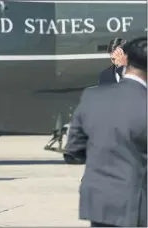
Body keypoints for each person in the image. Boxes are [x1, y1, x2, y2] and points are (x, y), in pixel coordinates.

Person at [65, 37, 147, 227]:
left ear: (127, 58)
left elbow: (74, 152)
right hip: (136, 201)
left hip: (100, 200)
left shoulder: (91, 97)